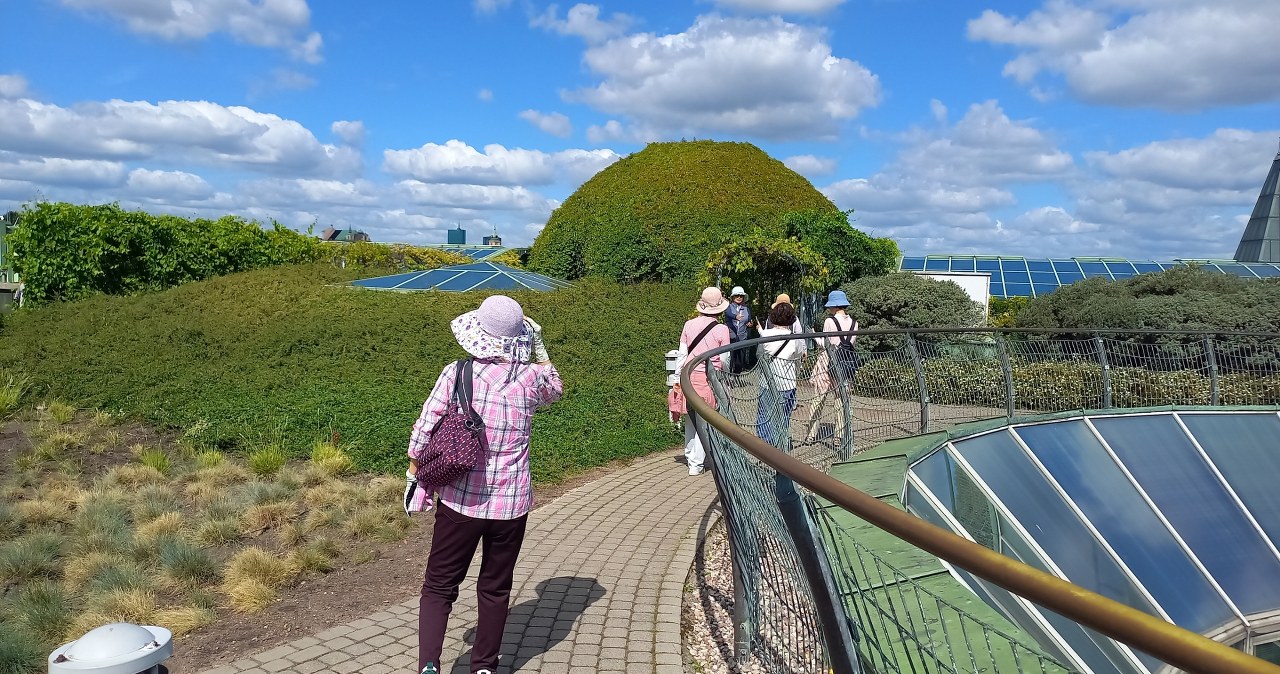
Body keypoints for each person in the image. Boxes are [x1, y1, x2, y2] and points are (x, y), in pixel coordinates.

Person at [405, 295, 563, 674]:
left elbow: (424, 428)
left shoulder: (457, 373)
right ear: (520, 337)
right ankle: (484, 666)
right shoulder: (532, 378)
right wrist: (540, 347)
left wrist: (415, 472)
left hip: (460, 501)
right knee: (495, 587)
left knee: (439, 585)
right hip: (512, 505)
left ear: (478, 332)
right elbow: (556, 388)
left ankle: (429, 665)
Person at [673, 287, 732, 475]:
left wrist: (676, 377)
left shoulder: (688, 324)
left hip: (688, 376)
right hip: (708, 379)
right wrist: (725, 378)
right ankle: (697, 463)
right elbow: (725, 359)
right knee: (705, 419)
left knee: (691, 418)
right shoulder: (722, 329)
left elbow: (682, 354)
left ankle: (691, 458)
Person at [756, 302, 805, 447]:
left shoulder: (765, 335)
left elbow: (759, 355)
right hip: (787, 382)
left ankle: (765, 446)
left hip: (767, 381)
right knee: (783, 416)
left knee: (764, 415)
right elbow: (798, 357)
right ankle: (780, 444)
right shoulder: (795, 339)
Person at [822, 289, 859, 386]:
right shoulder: (854, 323)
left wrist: (814, 336)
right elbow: (853, 344)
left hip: (832, 361)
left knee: (830, 389)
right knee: (845, 390)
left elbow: (825, 343)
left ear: (834, 306)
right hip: (849, 362)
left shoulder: (829, 321)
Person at [724, 286, 752, 374]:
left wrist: (750, 324)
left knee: (740, 361)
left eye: (741, 296)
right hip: (731, 338)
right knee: (730, 359)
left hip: (742, 338)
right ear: (733, 297)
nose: (739, 297)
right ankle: (728, 376)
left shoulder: (747, 309)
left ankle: (736, 377)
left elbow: (749, 320)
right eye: (737, 295)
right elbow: (728, 314)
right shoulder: (728, 307)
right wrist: (735, 317)